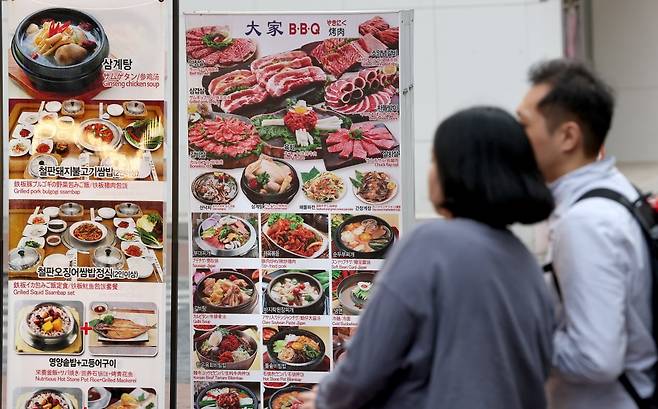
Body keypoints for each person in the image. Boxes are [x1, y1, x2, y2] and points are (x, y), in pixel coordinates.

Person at [299, 106, 556, 409]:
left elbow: (367, 363)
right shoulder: (522, 260)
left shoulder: (432, 243)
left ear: (458, 171)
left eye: (435, 160)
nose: (431, 171)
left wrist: (324, 400)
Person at [517, 58, 656, 409]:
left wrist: (513, 338)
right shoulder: (616, 190)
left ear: (567, 136)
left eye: (524, 125)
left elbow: (596, 359)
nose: (516, 139)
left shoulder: (586, 222)